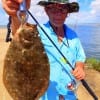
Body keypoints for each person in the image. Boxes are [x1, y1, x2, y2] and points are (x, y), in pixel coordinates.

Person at [2, 0, 86, 99]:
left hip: (69, 94)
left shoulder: (73, 35)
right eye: (53, 9)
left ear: (67, 12)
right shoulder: (37, 32)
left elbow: (80, 56)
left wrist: (80, 67)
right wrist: (15, 13)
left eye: (63, 9)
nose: (58, 14)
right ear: (46, 10)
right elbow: (18, 31)